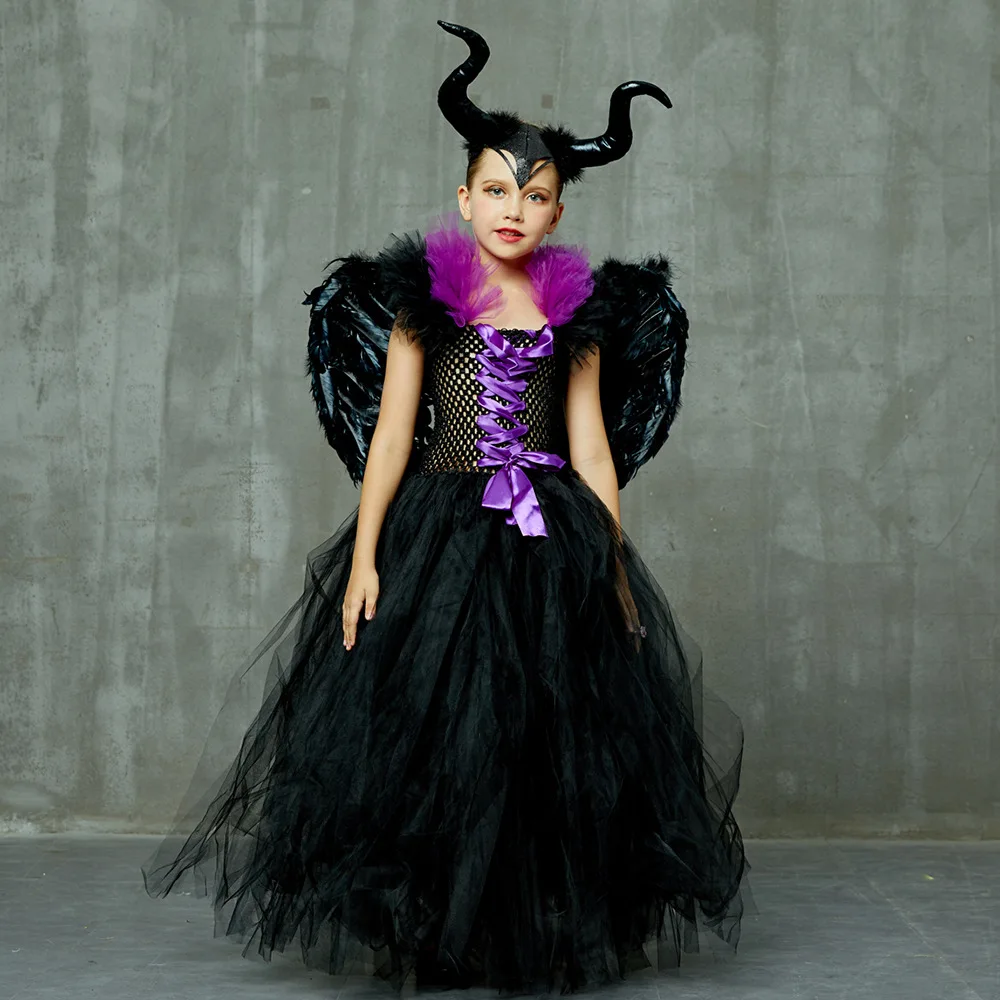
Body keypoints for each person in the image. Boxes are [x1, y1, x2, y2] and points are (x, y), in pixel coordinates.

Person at [142, 20, 748, 995]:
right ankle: (437, 922)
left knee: (543, 728)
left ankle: (528, 920)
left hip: (548, 533)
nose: (514, 208)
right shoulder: (425, 306)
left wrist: (612, 564)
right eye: (497, 190)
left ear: (556, 212)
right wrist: (367, 554)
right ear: (465, 199)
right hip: (439, 530)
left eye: (535, 196)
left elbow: (592, 447)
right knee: (438, 728)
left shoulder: (575, 316)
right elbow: (391, 436)